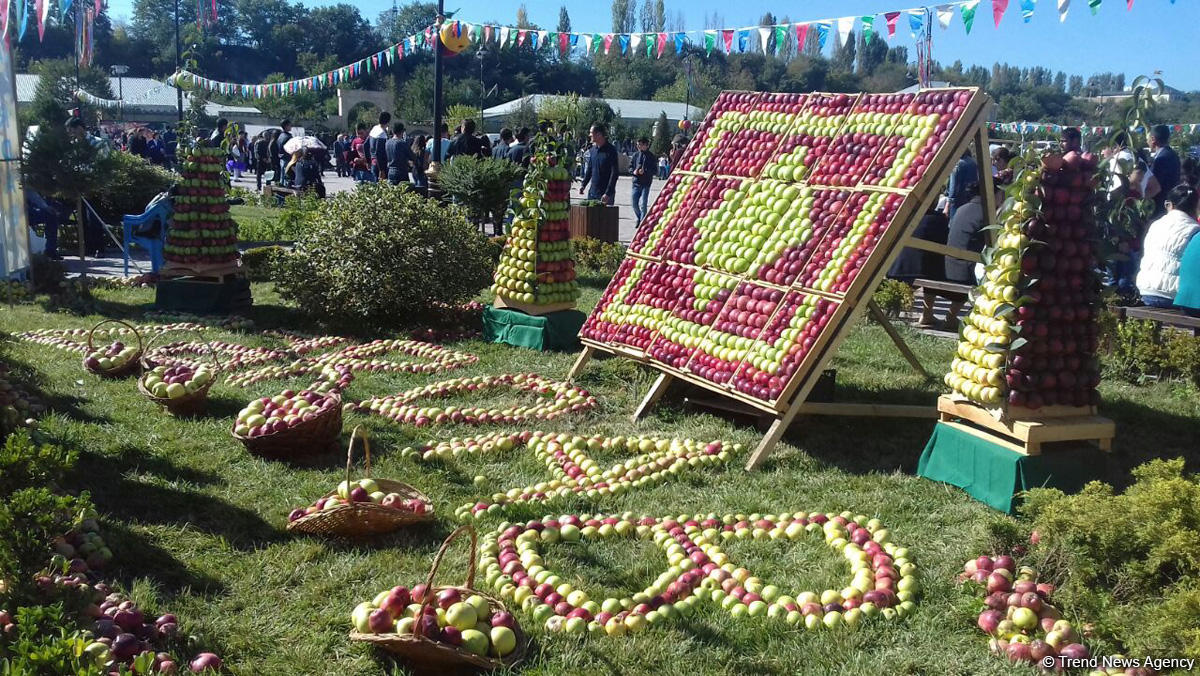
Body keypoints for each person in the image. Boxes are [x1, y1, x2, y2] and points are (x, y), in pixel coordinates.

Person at [887, 198, 952, 327]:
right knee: (935, 266)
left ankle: (890, 309)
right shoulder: (938, 219)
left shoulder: (904, 216)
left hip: (896, 267)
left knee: (926, 263)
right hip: (922, 272)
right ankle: (927, 314)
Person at [1136, 184, 1199, 309]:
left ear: (1169, 205)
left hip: (1146, 290)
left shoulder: (1155, 225)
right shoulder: (1195, 231)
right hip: (1173, 296)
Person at [942, 184, 987, 331]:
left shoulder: (962, 208)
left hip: (949, 265)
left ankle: (952, 316)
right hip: (965, 270)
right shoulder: (985, 214)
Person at [578, 123, 619, 205]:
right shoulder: (593, 150)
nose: (589, 135)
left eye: (591, 133)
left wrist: (608, 193)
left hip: (605, 195)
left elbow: (614, 173)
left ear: (599, 134)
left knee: (605, 218)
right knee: (590, 217)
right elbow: (590, 169)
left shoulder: (611, 151)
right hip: (592, 193)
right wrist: (583, 185)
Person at [1148, 124, 1182, 217]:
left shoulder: (1162, 158)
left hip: (1161, 205)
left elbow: (1156, 184)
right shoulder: (1171, 154)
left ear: (1153, 139)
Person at [630, 137, 656, 225]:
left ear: (646, 145)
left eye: (640, 144)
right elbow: (630, 167)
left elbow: (655, 170)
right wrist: (633, 171)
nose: (638, 146)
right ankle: (639, 216)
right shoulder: (635, 155)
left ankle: (642, 222)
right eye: (637, 144)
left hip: (646, 183)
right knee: (634, 203)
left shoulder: (651, 156)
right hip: (636, 182)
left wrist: (646, 172)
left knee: (643, 204)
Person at [944, 151, 978, 219]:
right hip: (971, 200)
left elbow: (953, 188)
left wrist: (947, 205)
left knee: (954, 224)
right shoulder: (973, 162)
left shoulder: (958, 164)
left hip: (957, 203)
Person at [367, 111, 392, 181]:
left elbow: (365, 145)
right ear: (388, 122)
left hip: (373, 162)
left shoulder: (374, 128)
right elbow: (379, 152)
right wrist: (382, 170)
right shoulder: (382, 134)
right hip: (380, 165)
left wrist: (368, 161)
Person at [276, 120, 294, 186]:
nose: (291, 126)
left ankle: (281, 185)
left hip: (282, 157)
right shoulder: (288, 137)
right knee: (287, 175)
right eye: (290, 125)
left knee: (282, 174)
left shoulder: (280, 135)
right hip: (287, 157)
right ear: (286, 126)